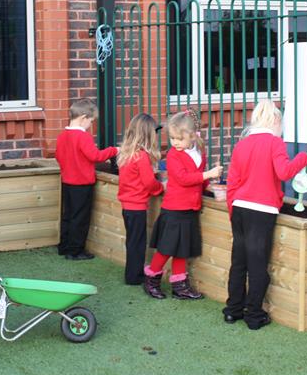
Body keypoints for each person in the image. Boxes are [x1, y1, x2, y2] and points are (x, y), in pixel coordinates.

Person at [223, 99, 307, 330]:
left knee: (238, 263)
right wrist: (303, 158)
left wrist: (232, 210)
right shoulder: (274, 143)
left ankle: (232, 310)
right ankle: (254, 315)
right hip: (262, 211)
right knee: (258, 265)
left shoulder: (242, 144)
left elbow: (233, 182)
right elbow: (283, 173)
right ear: (275, 121)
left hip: (240, 208)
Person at [143, 109, 222, 300]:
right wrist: (207, 174)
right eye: (172, 138)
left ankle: (180, 286)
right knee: (166, 248)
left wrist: (210, 186)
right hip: (174, 209)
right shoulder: (172, 155)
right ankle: (151, 280)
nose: (175, 142)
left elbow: (198, 180)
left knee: (182, 249)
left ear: (193, 135)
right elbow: (183, 178)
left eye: (180, 138)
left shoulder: (199, 153)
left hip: (190, 208)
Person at [55, 98, 118, 260]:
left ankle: (64, 246)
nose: (91, 124)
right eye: (91, 121)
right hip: (82, 184)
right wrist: (113, 150)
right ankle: (75, 251)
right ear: (83, 118)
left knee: (68, 215)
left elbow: (59, 157)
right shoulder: (83, 137)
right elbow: (95, 156)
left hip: (67, 182)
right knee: (80, 218)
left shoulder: (63, 136)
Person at [116, 113, 163, 285]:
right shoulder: (142, 156)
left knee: (132, 241)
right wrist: (161, 187)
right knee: (137, 242)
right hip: (137, 207)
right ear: (148, 134)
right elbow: (149, 183)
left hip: (127, 206)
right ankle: (134, 277)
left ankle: (132, 273)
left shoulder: (127, 154)